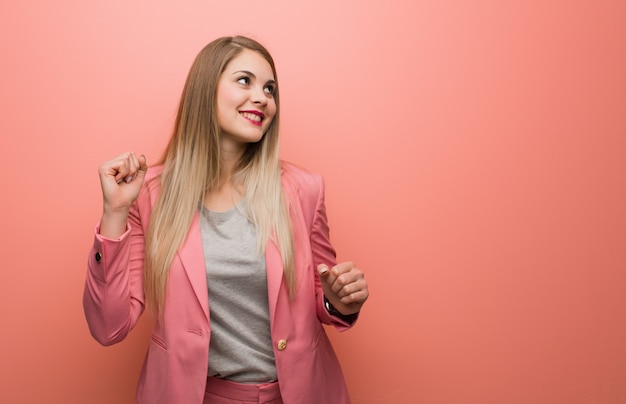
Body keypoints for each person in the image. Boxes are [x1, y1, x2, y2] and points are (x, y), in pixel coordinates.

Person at [83, 35, 369, 404]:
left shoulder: (303, 189)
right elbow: (109, 326)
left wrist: (339, 301)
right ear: (206, 90)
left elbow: (322, 294)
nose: (263, 97)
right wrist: (115, 212)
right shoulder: (150, 194)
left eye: (270, 88)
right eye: (245, 81)